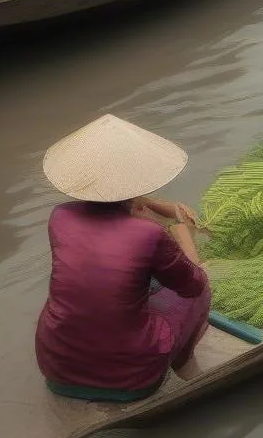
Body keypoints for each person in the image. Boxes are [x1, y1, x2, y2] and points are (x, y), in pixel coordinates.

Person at [35, 115, 212, 400]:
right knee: (201, 287)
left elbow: (106, 210)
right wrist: (183, 233)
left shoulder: (60, 217)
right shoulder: (148, 233)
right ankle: (185, 362)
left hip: (56, 369)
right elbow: (193, 284)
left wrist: (154, 204)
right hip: (133, 379)